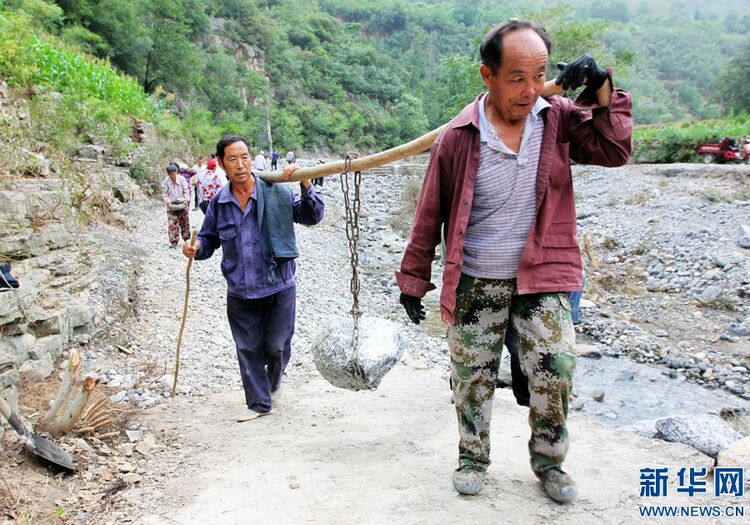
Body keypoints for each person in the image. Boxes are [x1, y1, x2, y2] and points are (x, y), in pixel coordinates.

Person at [396, 19, 632, 503]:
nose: (529, 90)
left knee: (555, 366)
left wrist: (604, 88)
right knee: (472, 373)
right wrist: (413, 279)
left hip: (542, 275)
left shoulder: (558, 119)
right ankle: (472, 455)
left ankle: (549, 462)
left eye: (539, 75)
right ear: (488, 76)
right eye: (516, 78)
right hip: (477, 278)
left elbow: (614, 149)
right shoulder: (459, 136)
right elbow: (429, 212)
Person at [182, 134, 324, 422]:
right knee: (247, 348)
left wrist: (306, 184)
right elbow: (209, 239)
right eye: (232, 158)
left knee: (276, 345)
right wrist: (195, 248)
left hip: (278, 285)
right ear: (221, 163)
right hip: (240, 290)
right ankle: (259, 403)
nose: (240, 164)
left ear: (251, 158)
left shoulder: (276, 191)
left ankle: (273, 384)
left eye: (244, 156)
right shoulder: (219, 204)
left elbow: (312, 216)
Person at [162, 163, 191, 248]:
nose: (172, 176)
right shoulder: (166, 181)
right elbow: (164, 194)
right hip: (171, 205)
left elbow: (186, 190)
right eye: (170, 174)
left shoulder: (182, 179)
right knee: (172, 224)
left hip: (182, 203)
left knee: (185, 223)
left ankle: (187, 240)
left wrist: (186, 200)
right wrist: (168, 202)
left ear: (176, 172)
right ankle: (173, 241)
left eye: (174, 174)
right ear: (168, 174)